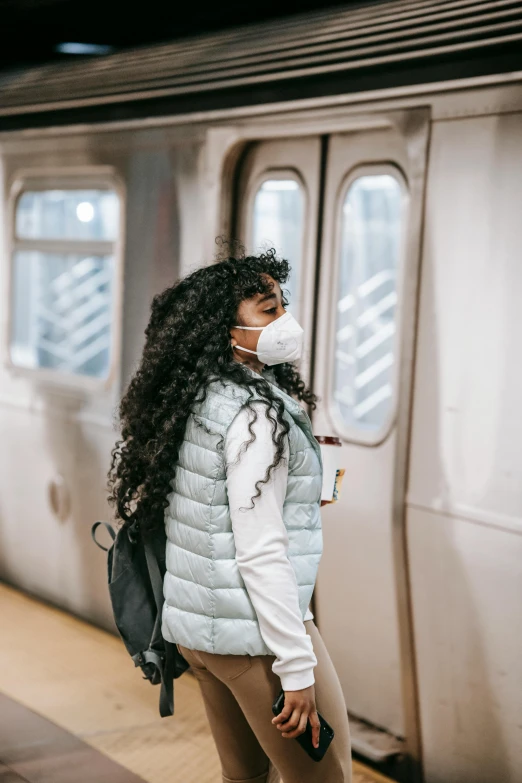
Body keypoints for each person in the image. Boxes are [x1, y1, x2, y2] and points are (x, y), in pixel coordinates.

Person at [108, 251, 352, 783]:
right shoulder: (256, 419)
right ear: (225, 330)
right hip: (254, 638)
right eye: (268, 310)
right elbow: (260, 549)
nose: (285, 322)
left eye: (283, 306)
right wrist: (295, 665)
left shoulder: (201, 397)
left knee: (244, 780)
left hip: (199, 633)